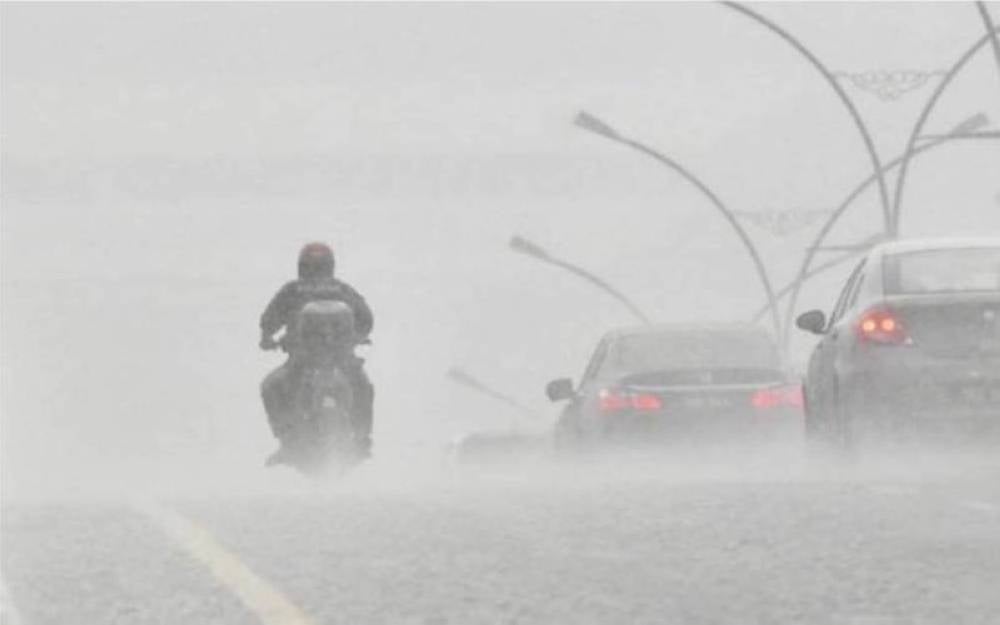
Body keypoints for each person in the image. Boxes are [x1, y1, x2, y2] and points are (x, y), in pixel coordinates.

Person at [259, 242, 375, 460]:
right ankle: (363, 439)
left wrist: (267, 338)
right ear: (330, 266)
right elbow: (366, 318)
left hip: (301, 360)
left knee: (270, 387)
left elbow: (269, 319)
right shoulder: (342, 289)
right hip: (343, 359)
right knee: (364, 387)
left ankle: (286, 438)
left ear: (301, 266)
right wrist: (359, 336)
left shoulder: (292, 290)